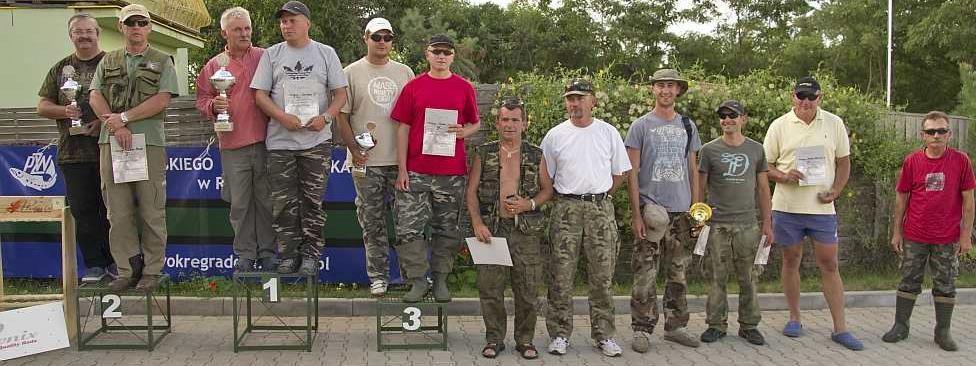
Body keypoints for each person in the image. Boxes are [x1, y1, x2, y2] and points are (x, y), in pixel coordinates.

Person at [762, 76, 862, 350]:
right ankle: (794, 318)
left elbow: (844, 163)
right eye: (800, 96)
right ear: (792, 96)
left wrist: (837, 190)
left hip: (821, 209)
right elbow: (765, 165)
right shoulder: (779, 125)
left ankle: (840, 328)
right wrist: (783, 175)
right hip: (787, 208)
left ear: (820, 98)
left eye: (811, 97)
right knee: (791, 261)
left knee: (829, 264)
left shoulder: (834, 123)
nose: (805, 102)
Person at [251, 1, 348, 275]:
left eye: (292, 20)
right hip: (280, 142)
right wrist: (281, 117)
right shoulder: (272, 55)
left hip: (316, 142)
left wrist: (326, 118)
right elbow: (259, 95)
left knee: (312, 202)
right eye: (283, 21)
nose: (286, 25)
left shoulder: (325, 53)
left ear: (307, 22)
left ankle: (311, 255)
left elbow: (340, 95)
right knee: (283, 202)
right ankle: (288, 254)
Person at [88, 4, 179, 292]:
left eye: (142, 22)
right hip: (112, 142)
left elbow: (163, 99)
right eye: (131, 23)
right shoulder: (108, 60)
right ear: (121, 27)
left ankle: (152, 271)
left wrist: (125, 118)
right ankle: (126, 270)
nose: (136, 27)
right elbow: (95, 96)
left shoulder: (163, 60)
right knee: (118, 212)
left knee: (151, 209)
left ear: (149, 27)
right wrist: (117, 127)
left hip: (148, 142)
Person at [543, 79, 631, 357]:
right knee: (560, 276)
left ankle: (604, 335)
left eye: (580, 98)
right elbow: (547, 176)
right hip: (566, 209)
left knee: (602, 277)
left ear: (592, 100)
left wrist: (600, 197)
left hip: (600, 210)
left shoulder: (608, 133)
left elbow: (620, 173)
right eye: (570, 98)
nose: (575, 103)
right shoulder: (555, 135)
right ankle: (559, 334)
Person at [390, 34, 480, 303]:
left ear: (453, 57)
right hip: (416, 171)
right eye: (436, 51)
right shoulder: (413, 87)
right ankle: (418, 280)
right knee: (407, 228)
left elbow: (475, 122)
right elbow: (402, 128)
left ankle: (440, 280)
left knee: (447, 229)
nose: (441, 56)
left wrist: (465, 132)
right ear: (427, 54)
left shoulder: (464, 88)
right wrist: (402, 169)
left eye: (446, 52)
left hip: (450, 173)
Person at [466, 97, 553, 359]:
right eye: (505, 119)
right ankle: (494, 338)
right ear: (497, 122)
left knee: (527, 289)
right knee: (490, 287)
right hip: (492, 230)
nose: (510, 125)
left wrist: (530, 203)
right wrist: (478, 223)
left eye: (515, 120)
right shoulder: (485, 152)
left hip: (525, 231)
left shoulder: (536, 154)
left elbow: (548, 190)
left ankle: (524, 340)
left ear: (524, 124)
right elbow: (471, 192)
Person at [335, 17, 415, 296]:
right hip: (366, 162)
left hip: (400, 161)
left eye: (387, 37)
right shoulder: (350, 72)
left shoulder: (405, 72)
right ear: (365, 38)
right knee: (372, 221)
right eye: (376, 37)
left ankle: (411, 277)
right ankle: (378, 277)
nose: (382, 42)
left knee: (407, 221)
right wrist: (355, 151)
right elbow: (341, 118)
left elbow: (414, 117)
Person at [884, 111, 974, 351]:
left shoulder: (961, 161)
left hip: (947, 237)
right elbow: (901, 198)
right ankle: (901, 326)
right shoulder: (912, 161)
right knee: (908, 280)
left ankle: (942, 331)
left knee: (946, 283)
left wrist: (966, 236)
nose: (936, 135)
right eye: (931, 131)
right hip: (915, 235)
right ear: (923, 135)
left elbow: (968, 201)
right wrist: (897, 232)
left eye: (941, 131)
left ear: (949, 134)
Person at [626, 68, 702, 351]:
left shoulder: (688, 125)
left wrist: (697, 210)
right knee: (645, 273)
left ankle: (676, 326)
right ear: (653, 90)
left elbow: (693, 169)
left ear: (678, 90)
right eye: (660, 85)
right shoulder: (641, 126)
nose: (665, 90)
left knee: (679, 273)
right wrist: (636, 214)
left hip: (682, 213)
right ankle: (642, 329)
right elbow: (632, 173)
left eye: (670, 85)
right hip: (652, 211)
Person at [194, 7, 275, 272]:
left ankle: (266, 252)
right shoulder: (214, 65)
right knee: (239, 203)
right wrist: (212, 107)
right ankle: (244, 254)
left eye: (247, 28)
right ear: (224, 33)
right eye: (237, 29)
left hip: (266, 142)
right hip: (232, 144)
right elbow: (202, 98)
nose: (244, 33)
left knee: (266, 200)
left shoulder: (265, 57)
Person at [36, 13, 114, 283]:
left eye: (88, 31)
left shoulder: (112, 63)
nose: (84, 36)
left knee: (114, 210)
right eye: (78, 32)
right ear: (71, 36)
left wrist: (103, 124)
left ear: (97, 33)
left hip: (110, 149)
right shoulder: (60, 69)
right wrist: (65, 110)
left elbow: (125, 104)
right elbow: (42, 105)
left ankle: (118, 264)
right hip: (73, 154)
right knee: (83, 211)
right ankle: (94, 265)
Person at [696, 100, 773, 346]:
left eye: (732, 115)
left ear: (743, 118)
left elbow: (763, 188)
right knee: (716, 277)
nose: (727, 120)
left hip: (747, 225)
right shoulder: (708, 150)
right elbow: (700, 188)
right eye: (723, 116)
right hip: (717, 225)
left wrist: (767, 224)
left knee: (749, 277)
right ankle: (716, 325)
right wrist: (699, 219)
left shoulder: (756, 150)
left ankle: (749, 326)